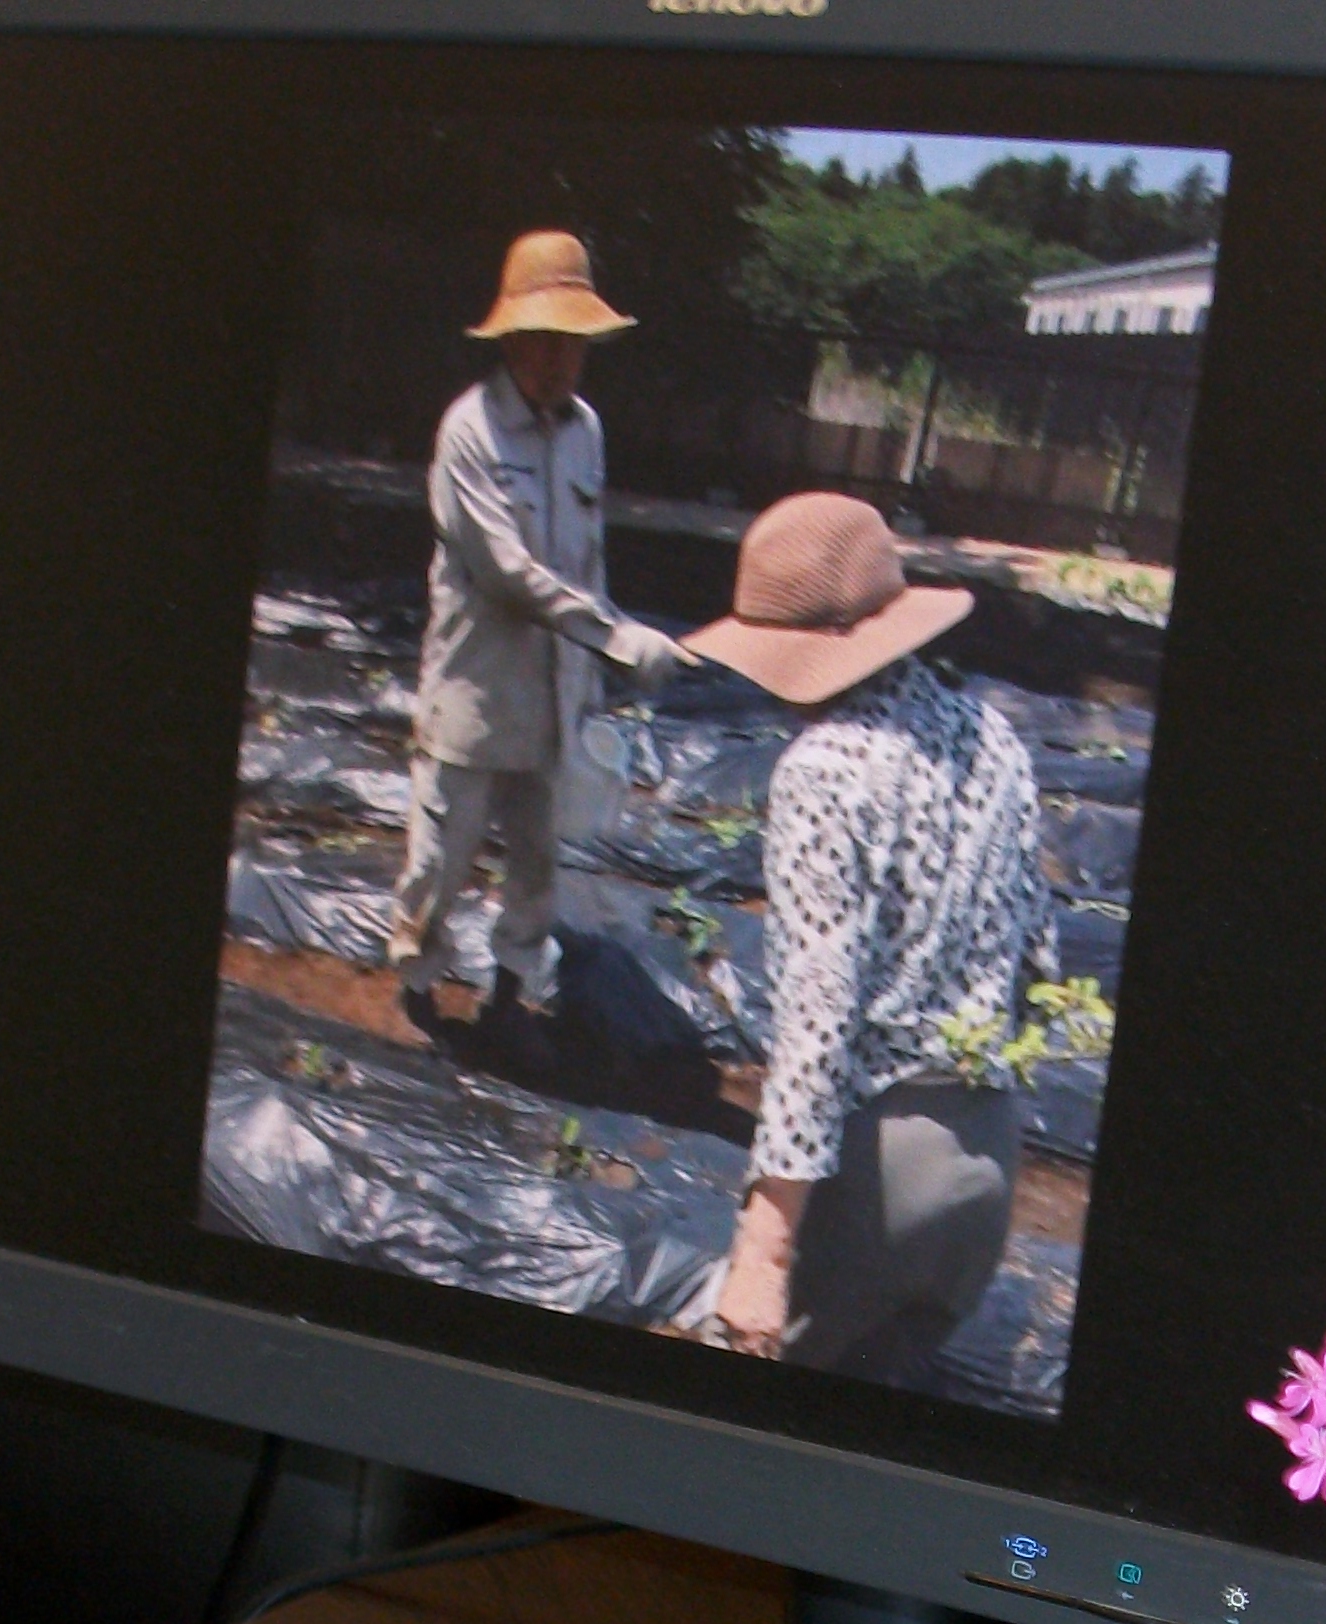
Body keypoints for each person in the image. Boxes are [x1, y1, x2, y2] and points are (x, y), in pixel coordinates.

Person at [684, 491, 1051, 1384]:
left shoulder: (823, 771)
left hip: (879, 1177)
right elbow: (1036, 954)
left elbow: (818, 1021)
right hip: (985, 1159)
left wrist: (765, 1250)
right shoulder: (997, 739)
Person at [390, 230, 691, 1050]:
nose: (562, 360)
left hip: (553, 695)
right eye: (547, 339)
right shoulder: (471, 431)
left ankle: (511, 993)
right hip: (476, 690)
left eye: (575, 342)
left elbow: (587, 562)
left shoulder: (585, 430)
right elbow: (507, 573)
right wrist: (619, 638)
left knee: (535, 865)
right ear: (512, 338)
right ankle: (417, 986)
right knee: (441, 858)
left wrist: (595, 676)